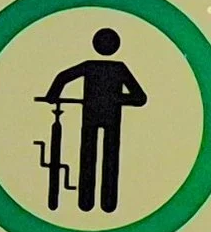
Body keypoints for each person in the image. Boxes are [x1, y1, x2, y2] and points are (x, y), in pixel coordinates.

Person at [41, 28, 149, 214]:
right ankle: (87, 201)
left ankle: (104, 203)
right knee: (90, 156)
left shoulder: (112, 68)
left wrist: (114, 98)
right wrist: (52, 95)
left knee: (107, 158)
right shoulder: (107, 67)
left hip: (105, 118)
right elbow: (63, 77)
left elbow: (140, 98)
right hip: (95, 118)